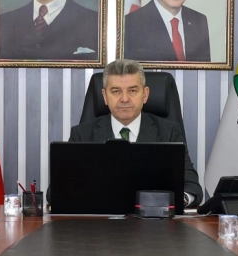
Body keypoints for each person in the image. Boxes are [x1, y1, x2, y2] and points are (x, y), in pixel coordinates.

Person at [66, 59, 203, 205]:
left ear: (145, 94)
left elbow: (192, 187)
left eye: (132, 90)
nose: (125, 99)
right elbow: (58, 189)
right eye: (116, 91)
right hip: (99, 217)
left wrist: (176, 201)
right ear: (105, 96)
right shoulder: (82, 135)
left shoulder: (169, 132)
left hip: (153, 217)